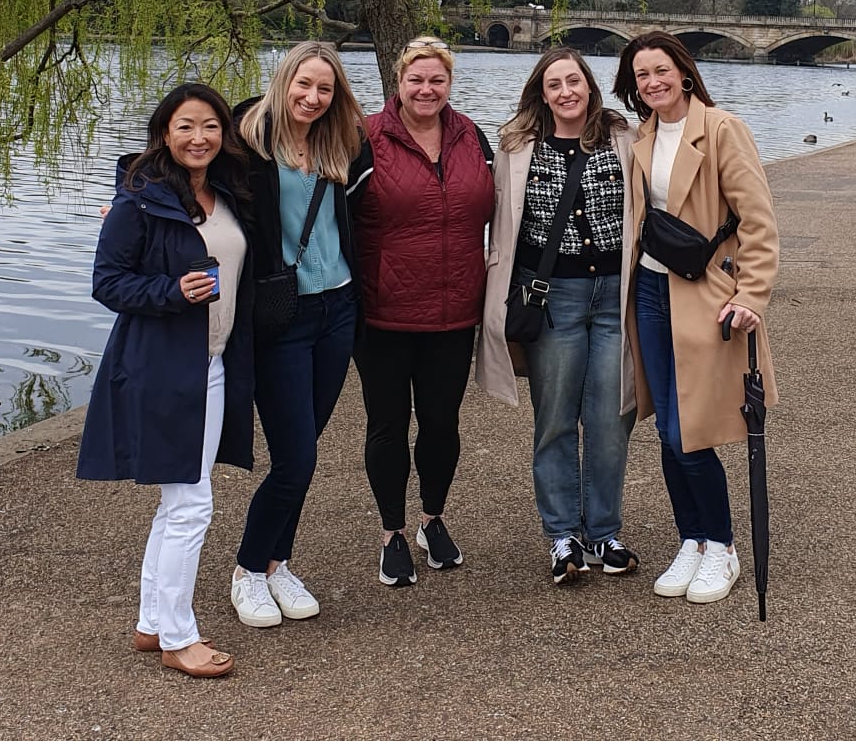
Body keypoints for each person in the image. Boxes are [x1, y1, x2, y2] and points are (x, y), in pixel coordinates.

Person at [75, 84, 255, 679]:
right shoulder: (140, 200)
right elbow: (107, 282)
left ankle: (153, 622)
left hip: (213, 362)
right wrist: (171, 291)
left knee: (179, 501)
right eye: (185, 126)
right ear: (164, 132)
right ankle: (180, 636)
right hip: (163, 367)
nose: (198, 138)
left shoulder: (227, 190)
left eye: (210, 126)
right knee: (191, 505)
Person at [614, 31, 779, 606]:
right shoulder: (642, 135)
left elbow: (758, 221)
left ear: (683, 72)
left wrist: (752, 295)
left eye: (661, 70)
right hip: (650, 290)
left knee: (690, 428)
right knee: (665, 425)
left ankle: (722, 545)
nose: (652, 82)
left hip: (704, 293)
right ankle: (693, 538)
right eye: (642, 75)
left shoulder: (723, 130)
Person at [482, 47, 644, 585]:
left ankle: (604, 532)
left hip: (614, 296)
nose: (566, 92)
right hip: (551, 298)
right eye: (554, 85)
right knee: (554, 419)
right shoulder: (517, 146)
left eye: (573, 81)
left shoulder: (624, 137)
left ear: (589, 86)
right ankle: (562, 535)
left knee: (610, 419)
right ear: (542, 93)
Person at [229, 41, 369, 630]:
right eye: (303, 85)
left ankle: (276, 562)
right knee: (296, 457)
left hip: (337, 307)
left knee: (304, 448)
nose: (312, 98)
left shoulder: (340, 143)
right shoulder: (247, 140)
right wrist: (127, 202)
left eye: (325, 89)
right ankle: (247, 569)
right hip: (281, 313)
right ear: (284, 80)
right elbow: (173, 160)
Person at [352, 37, 497, 587]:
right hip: (383, 313)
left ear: (449, 84)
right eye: (416, 79)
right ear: (399, 82)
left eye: (437, 80)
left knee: (441, 423)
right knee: (387, 425)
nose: (426, 89)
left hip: (454, 312)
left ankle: (432, 519)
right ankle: (391, 531)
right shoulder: (365, 138)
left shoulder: (472, 137)